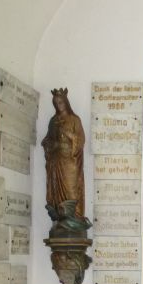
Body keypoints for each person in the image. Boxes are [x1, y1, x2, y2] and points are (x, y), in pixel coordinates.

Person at [41, 88, 87, 222]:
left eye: (60, 102)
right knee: (57, 194)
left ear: (66, 102)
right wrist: (50, 144)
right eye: (56, 103)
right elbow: (48, 139)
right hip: (56, 162)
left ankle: (75, 217)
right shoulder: (53, 121)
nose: (58, 105)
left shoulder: (74, 120)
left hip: (70, 163)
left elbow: (81, 140)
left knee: (72, 191)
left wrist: (69, 134)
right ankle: (61, 219)